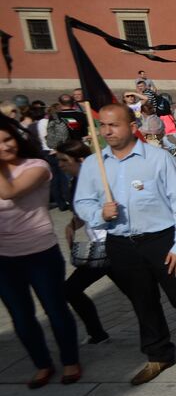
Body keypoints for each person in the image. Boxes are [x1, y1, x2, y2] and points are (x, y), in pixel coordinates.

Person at [75, 105, 176, 384]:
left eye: (114, 125)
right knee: (142, 302)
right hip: (121, 244)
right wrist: (99, 214)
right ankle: (158, 354)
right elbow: (82, 201)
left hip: (163, 240)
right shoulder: (95, 164)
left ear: (132, 125)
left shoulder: (158, 158)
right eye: (103, 125)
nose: (107, 131)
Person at [0, 115, 81, 387]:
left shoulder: (37, 166)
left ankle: (70, 361)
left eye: (7, 139)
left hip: (40, 253)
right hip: (3, 258)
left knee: (55, 309)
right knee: (21, 316)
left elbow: (9, 192)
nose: (5, 146)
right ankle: (42, 364)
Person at [53, 139, 109, 345]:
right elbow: (84, 212)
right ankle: (97, 334)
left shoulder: (97, 179)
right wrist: (72, 224)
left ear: (81, 159)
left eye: (64, 160)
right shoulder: (75, 181)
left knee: (70, 289)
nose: (60, 165)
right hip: (99, 246)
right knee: (71, 290)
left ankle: (98, 334)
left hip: (111, 245)